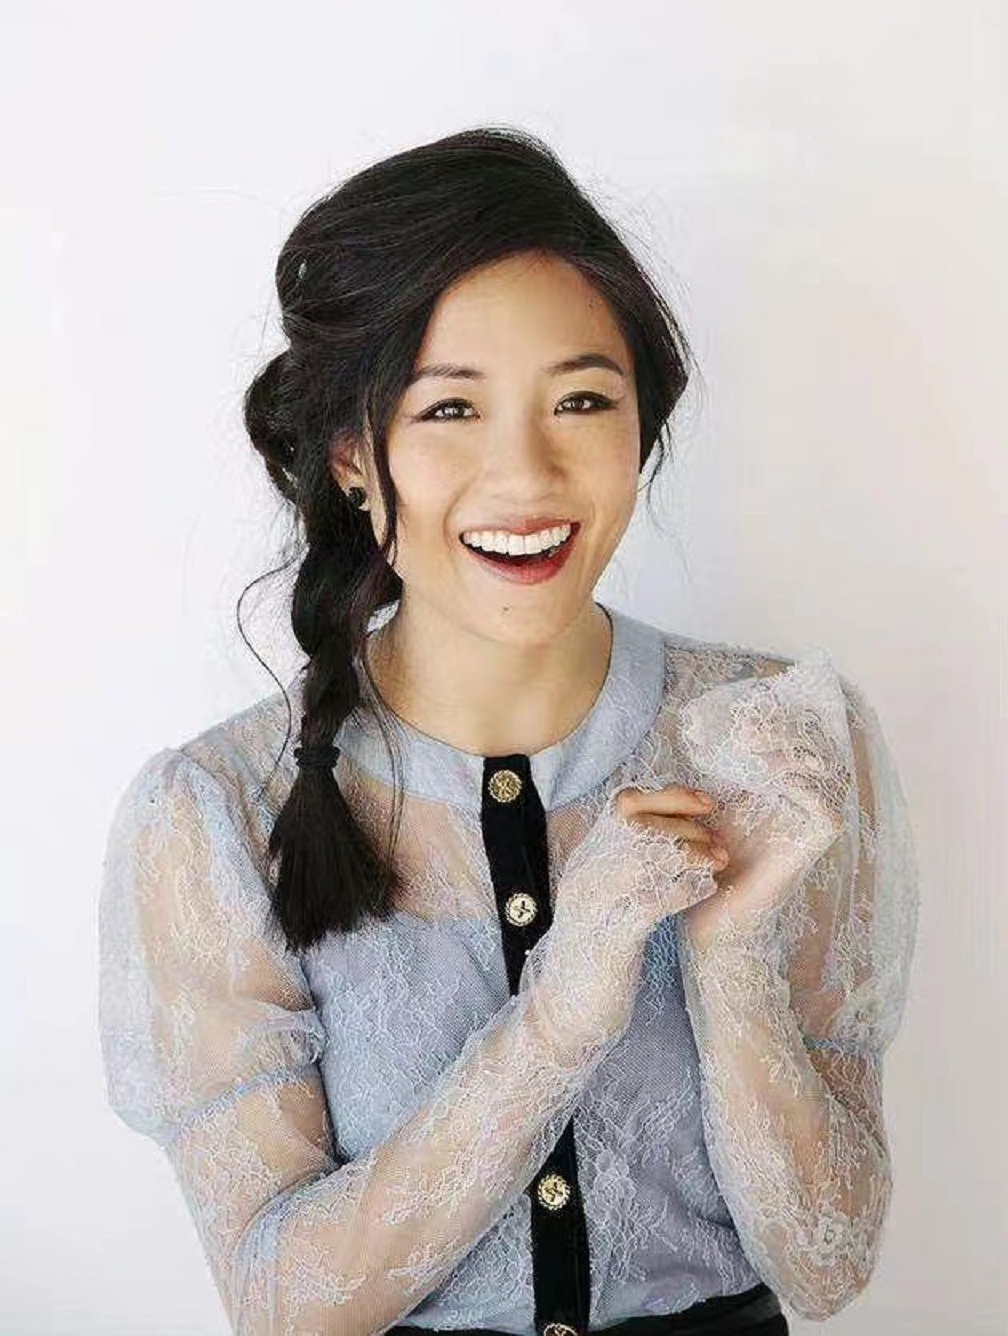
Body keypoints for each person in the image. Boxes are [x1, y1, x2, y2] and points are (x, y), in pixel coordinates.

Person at [97, 126, 919, 1336]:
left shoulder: (780, 740)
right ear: (352, 455)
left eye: (582, 399)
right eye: (450, 409)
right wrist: (563, 1008)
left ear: (642, 428)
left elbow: (830, 1264)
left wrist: (732, 956)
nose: (526, 475)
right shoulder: (216, 813)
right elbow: (280, 1303)